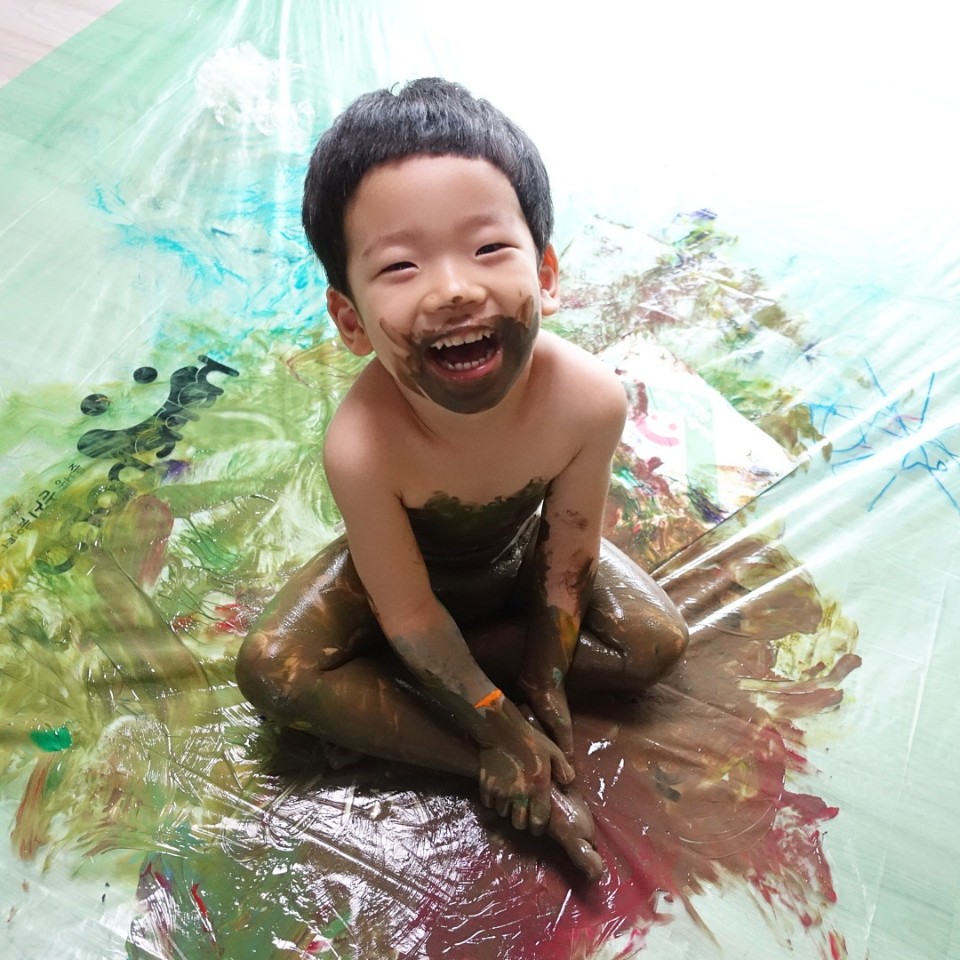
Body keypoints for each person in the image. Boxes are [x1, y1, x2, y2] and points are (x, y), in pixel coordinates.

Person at [236, 78, 688, 881]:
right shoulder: (363, 446)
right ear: (351, 320)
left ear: (546, 273)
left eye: (488, 250)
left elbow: (568, 552)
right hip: (399, 588)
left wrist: (546, 678)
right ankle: (489, 760)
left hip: (517, 565)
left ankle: (413, 688)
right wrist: (498, 732)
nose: (452, 289)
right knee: (272, 668)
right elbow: (408, 610)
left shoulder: (588, 400)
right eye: (400, 265)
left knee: (655, 641)